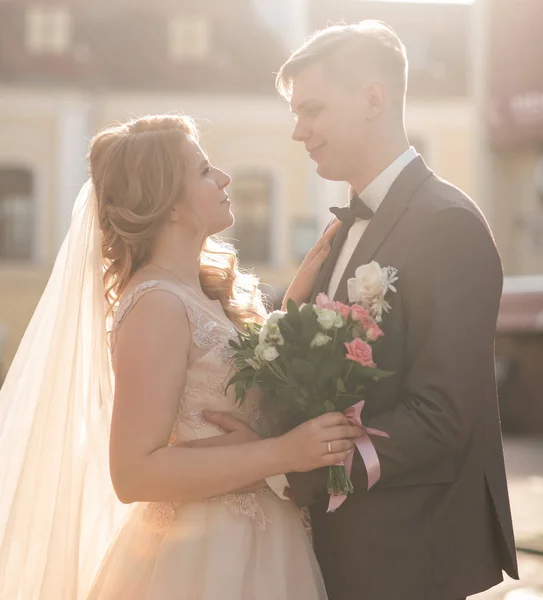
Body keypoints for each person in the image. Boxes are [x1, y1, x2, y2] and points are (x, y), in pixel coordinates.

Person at [0, 114, 360, 599]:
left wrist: (292, 311)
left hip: (265, 544)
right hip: (202, 561)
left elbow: (236, 402)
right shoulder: (155, 305)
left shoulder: (201, 294)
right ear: (167, 202)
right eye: (205, 170)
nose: (225, 179)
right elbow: (133, 474)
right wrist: (282, 453)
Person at [269, 19, 518, 600]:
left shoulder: (447, 224)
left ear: (373, 99)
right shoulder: (341, 229)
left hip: (404, 554)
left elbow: (443, 414)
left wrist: (299, 469)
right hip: (334, 548)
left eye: (312, 110)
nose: (298, 132)